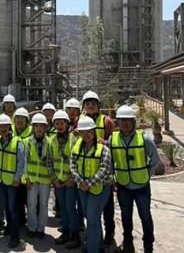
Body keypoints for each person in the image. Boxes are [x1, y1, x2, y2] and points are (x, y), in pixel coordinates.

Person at [110, 105, 158, 253]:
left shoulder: (144, 138)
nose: (125, 123)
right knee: (126, 217)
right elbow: (110, 162)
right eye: (122, 120)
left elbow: (154, 159)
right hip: (123, 185)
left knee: (145, 217)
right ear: (118, 122)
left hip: (141, 187)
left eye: (128, 120)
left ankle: (148, 245)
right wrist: (113, 178)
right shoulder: (113, 139)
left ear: (133, 122)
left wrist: (146, 175)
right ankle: (128, 243)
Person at [71, 116, 113, 253]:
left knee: (92, 218)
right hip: (83, 187)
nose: (86, 135)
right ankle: (98, 245)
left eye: (89, 131)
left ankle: (92, 249)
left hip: (99, 188)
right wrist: (79, 181)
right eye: (82, 132)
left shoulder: (103, 149)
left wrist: (88, 183)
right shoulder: (77, 146)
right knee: (91, 217)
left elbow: (105, 169)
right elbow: (72, 165)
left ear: (94, 131)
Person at [81, 90, 115, 245]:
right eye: (87, 103)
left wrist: (104, 142)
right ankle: (94, 238)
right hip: (86, 173)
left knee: (107, 208)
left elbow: (113, 144)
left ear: (98, 105)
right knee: (90, 212)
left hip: (103, 170)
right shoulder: (80, 121)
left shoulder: (106, 121)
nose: (90, 105)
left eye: (93, 103)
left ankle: (109, 234)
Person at [48, 110, 81, 249]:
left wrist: (71, 179)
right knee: (63, 208)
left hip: (70, 182)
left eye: (62, 123)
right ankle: (66, 232)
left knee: (70, 208)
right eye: (57, 123)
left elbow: (77, 161)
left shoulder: (74, 139)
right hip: (58, 182)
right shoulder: (52, 140)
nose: (59, 126)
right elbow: (49, 162)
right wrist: (55, 179)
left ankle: (75, 236)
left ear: (67, 124)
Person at [0, 114, 25, 249]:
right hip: (1, 181)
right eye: (0, 126)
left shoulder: (17, 141)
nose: (2, 129)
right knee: (7, 206)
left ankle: (15, 237)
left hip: (12, 182)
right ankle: (9, 227)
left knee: (13, 209)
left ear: (9, 127)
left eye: (4, 126)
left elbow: (21, 162)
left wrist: (17, 178)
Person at [24, 113, 51, 239]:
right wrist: (26, 178)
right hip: (32, 179)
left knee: (44, 205)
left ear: (45, 128)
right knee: (31, 204)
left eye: (41, 126)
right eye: (36, 126)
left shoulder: (50, 142)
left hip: (45, 179)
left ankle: (41, 228)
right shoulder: (27, 142)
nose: (39, 128)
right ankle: (31, 227)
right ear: (33, 127)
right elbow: (24, 161)